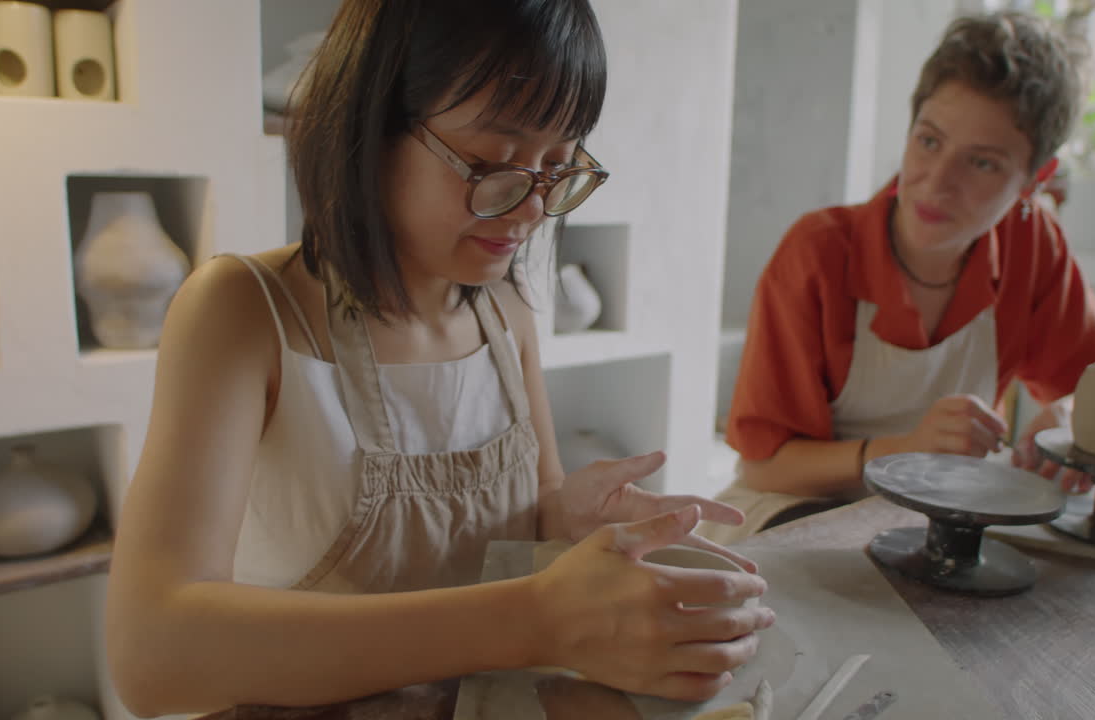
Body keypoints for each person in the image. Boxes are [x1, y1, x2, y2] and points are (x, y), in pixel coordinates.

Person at [104, 1, 775, 715]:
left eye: (557, 165)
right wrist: (537, 618)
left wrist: (562, 518)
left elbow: (523, 524)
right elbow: (154, 656)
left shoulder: (504, 313)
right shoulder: (246, 311)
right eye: (490, 164)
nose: (529, 211)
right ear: (368, 126)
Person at [702, 11, 1095, 546]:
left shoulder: (1032, 244)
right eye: (929, 142)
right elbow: (764, 468)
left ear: (1035, 180)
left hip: (935, 518)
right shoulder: (819, 252)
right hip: (792, 510)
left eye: (982, 164)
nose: (937, 184)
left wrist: (1071, 422)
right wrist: (905, 448)